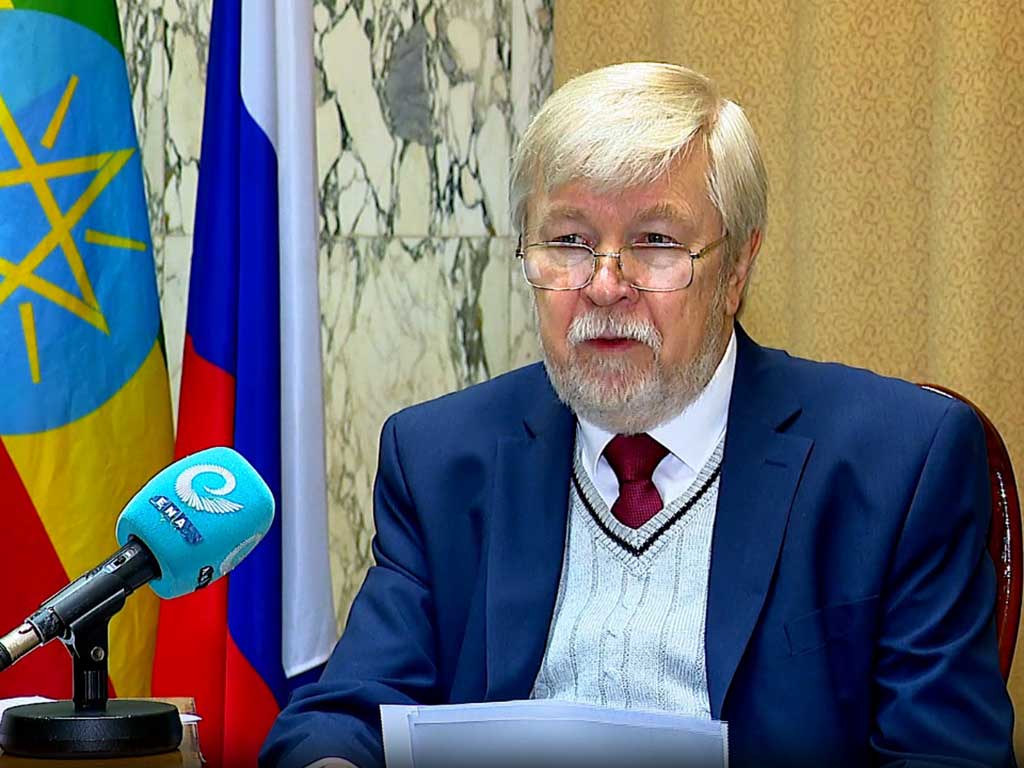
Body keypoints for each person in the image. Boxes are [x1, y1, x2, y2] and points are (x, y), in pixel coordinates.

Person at [260, 62, 1014, 768]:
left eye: (655, 243)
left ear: (737, 268)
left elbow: (945, 754)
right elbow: (342, 715)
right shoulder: (439, 459)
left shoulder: (898, 463)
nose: (604, 285)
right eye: (569, 242)